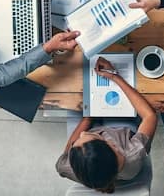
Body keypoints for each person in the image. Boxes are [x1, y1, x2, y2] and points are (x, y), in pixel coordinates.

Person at [56, 57, 157, 193]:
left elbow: (67, 152)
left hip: (91, 124)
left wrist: (87, 119)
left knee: (72, 94)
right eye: (88, 136)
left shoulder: (67, 167)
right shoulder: (134, 153)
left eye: (77, 143)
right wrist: (115, 77)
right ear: (112, 144)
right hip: (120, 130)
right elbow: (149, 116)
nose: (82, 133)